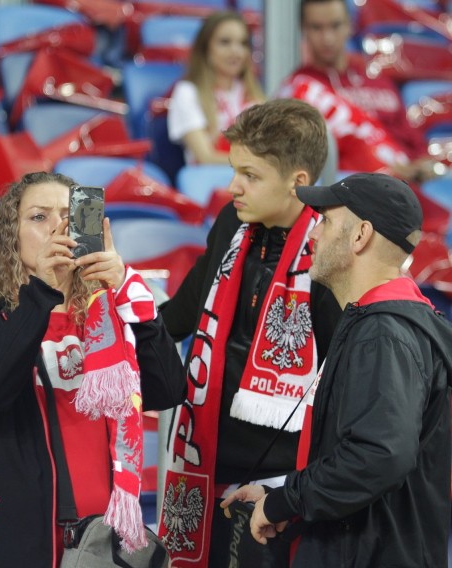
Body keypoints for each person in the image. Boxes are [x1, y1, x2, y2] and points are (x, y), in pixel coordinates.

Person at [222, 173, 452, 567]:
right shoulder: (380, 324)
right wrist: (283, 497)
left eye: (327, 222)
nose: (314, 235)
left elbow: (379, 454)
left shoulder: (383, 334)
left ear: (361, 236)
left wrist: (289, 499)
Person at [0, 171, 186, 567]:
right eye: (39, 217)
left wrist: (129, 297)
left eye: (67, 216)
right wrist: (42, 291)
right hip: (17, 544)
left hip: (101, 546)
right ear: (13, 236)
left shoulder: (107, 319)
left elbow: (166, 391)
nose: (58, 227)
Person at [157, 99, 342, 568]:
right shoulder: (230, 223)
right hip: (207, 453)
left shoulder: (331, 249)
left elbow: (339, 372)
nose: (233, 186)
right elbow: (182, 314)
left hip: (283, 478)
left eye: (251, 176)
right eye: (234, 169)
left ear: (298, 183)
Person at [280, 0, 443, 181]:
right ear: (303, 30)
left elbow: (413, 140)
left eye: (335, 26)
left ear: (350, 25)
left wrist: (421, 166)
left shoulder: (376, 78)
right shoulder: (299, 90)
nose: (328, 38)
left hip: (413, 182)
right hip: (359, 190)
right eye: (317, 28)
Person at [167, 10, 266, 165]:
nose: (236, 51)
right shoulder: (187, 92)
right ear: (205, 49)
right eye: (225, 42)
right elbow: (205, 157)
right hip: (210, 183)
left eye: (243, 43)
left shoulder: (252, 92)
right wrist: (261, 165)